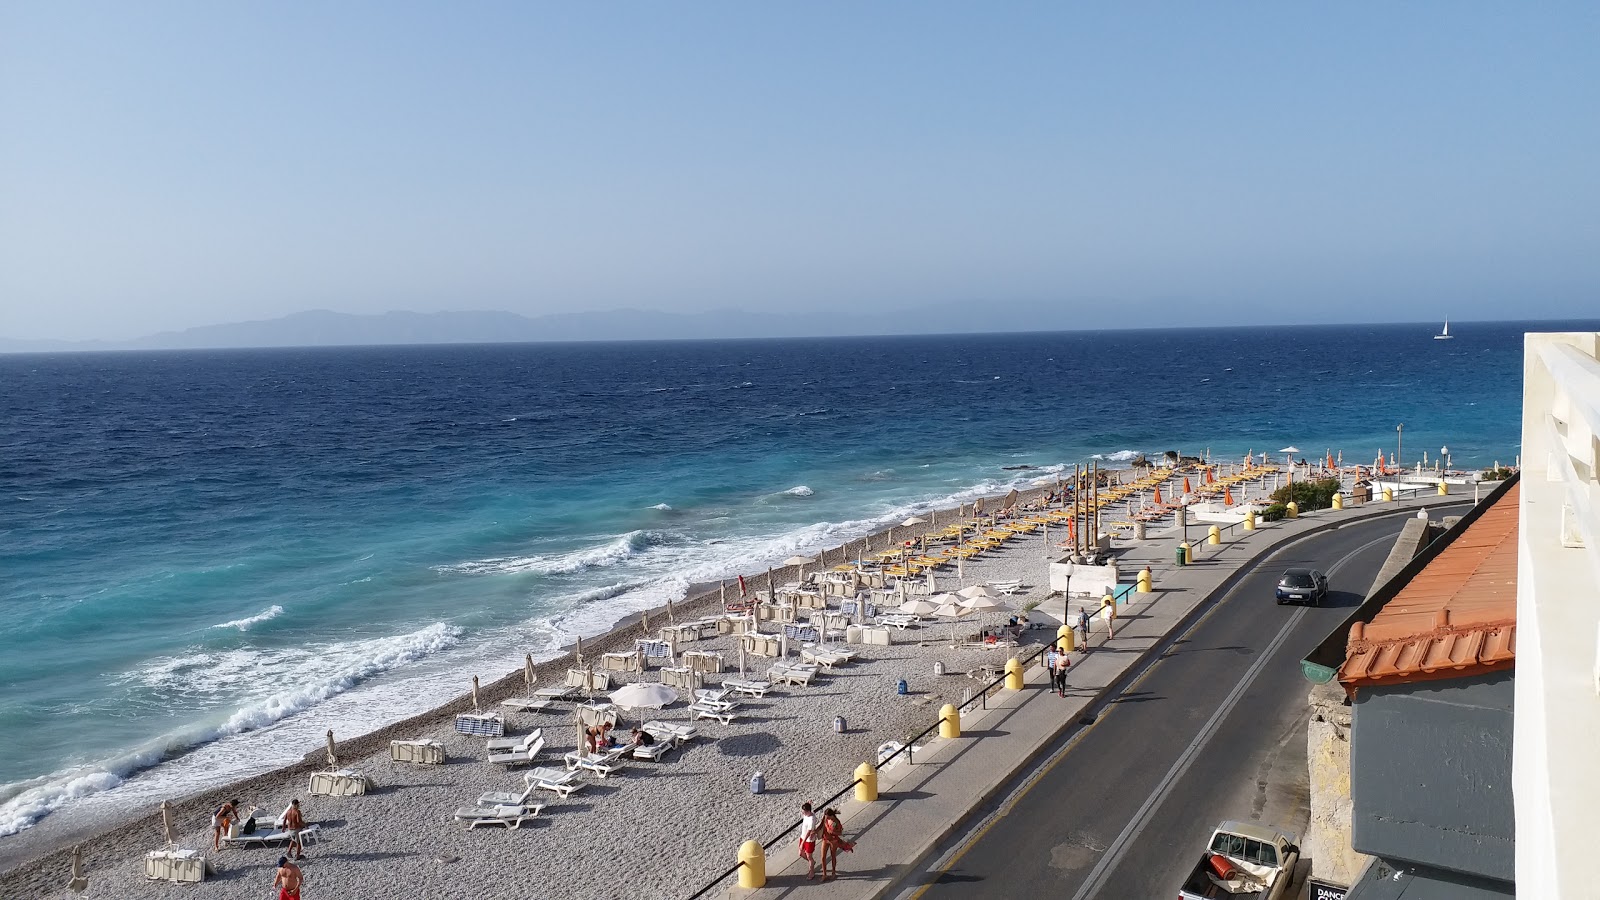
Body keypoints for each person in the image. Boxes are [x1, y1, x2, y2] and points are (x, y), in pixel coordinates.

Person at [819, 808, 853, 880]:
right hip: (825, 839)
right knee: (822, 857)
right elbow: (821, 824)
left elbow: (840, 833)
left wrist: (833, 832)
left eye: (827, 817)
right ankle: (824, 874)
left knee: (833, 856)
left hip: (833, 840)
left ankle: (833, 872)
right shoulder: (826, 818)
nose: (826, 818)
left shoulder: (836, 822)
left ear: (831, 816)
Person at [798, 801, 818, 879]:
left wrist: (803, 842)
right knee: (800, 853)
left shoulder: (812, 819)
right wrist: (808, 803)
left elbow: (809, 831)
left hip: (809, 840)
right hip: (802, 837)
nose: (803, 814)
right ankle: (812, 862)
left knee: (809, 856)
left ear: (808, 811)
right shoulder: (807, 814)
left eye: (804, 812)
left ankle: (812, 872)